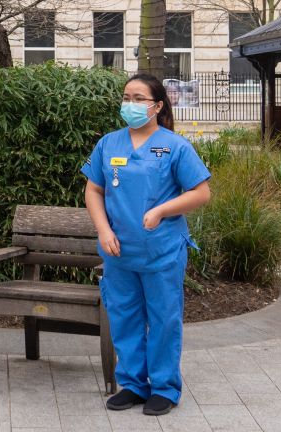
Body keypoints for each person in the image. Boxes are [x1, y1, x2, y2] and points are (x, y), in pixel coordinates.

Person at [81, 73, 211, 416]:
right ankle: (134, 385)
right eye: (126, 97)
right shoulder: (109, 144)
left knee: (164, 318)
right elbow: (93, 189)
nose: (130, 104)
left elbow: (201, 192)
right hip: (119, 251)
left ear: (156, 106)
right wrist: (103, 230)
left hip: (162, 250)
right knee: (124, 317)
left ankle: (165, 387)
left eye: (138, 98)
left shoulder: (174, 146)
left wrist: (162, 210)